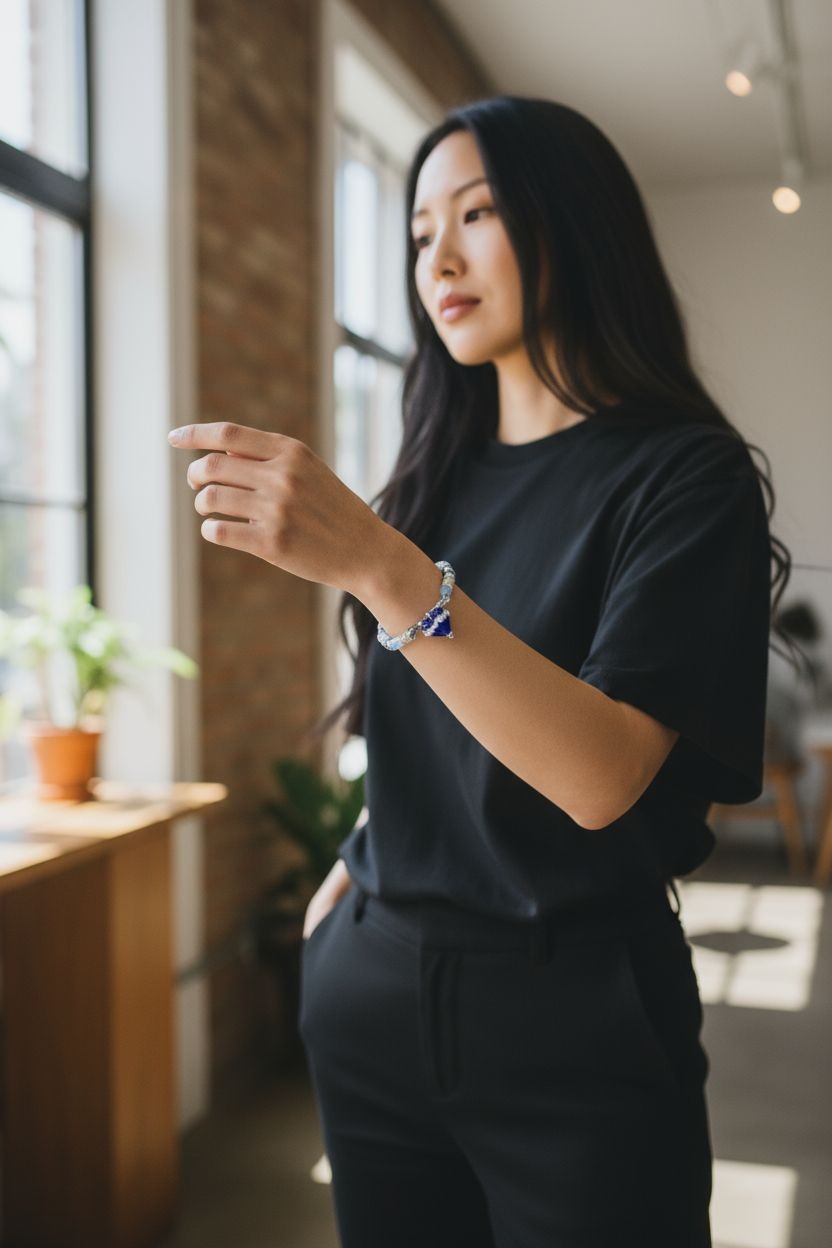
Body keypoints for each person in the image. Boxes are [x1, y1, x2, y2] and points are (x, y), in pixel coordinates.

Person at [295, 95, 794, 1248]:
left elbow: (599, 775)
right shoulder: (433, 475)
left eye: (477, 212)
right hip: (373, 986)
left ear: (570, 225)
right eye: (420, 231)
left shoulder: (683, 478)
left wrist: (381, 569)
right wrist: (359, 865)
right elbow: (424, 729)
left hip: (575, 1018)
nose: (441, 257)